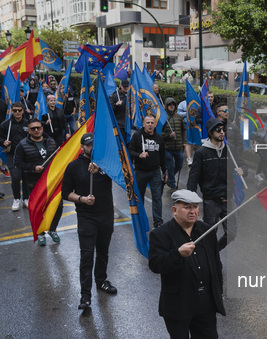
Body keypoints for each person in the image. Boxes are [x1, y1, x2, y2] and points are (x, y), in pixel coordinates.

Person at [148, 189, 225, 339]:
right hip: (178, 301)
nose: (193, 211)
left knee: (208, 336)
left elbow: (216, 264)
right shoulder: (160, 234)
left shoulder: (206, 230)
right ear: (175, 210)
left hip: (204, 298)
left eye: (195, 207)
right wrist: (177, 254)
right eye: (187, 207)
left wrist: (218, 291)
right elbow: (155, 264)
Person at [62, 132, 117, 310]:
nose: (91, 148)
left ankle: (101, 281)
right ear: (82, 147)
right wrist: (82, 199)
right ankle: (85, 296)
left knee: (103, 251)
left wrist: (102, 167)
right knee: (87, 256)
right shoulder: (73, 167)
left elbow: (121, 172)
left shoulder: (107, 163)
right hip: (86, 217)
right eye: (88, 145)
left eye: (94, 144)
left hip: (106, 215)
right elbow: (66, 193)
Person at [187, 118, 243, 251]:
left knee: (231, 233)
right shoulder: (201, 153)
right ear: (211, 132)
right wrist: (189, 200)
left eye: (223, 129)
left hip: (228, 200)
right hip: (210, 201)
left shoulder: (230, 150)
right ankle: (210, 258)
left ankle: (214, 252)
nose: (222, 132)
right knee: (209, 235)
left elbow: (242, 165)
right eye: (218, 130)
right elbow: (193, 177)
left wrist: (243, 170)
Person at [14, 118, 62, 246]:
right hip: (34, 183)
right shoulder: (22, 145)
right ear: (29, 130)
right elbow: (17, 163)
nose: (36, 130)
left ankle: (53, 229)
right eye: (33, 128)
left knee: (58, 207)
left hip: (53, 182)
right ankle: (40, 234)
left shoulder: (51, 141)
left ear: (42, 128)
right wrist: (33, 168)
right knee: (38, 210)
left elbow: (59, 158)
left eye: (38, 128)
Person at [128, 114, 167, 228]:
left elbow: (163, 156)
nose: (150, 125)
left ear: (155, 124)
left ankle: (158, 221)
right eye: (148, 123)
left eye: (152, 123)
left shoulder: (159, 138)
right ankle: (140, 219)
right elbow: (130, 151)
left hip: (155, 171)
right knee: (139, 197)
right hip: (140, 171)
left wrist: (165, 172)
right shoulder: (137, 136)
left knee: (157, 197)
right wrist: (139, 155)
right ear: (143, 124)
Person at [0, 102, 30, 211]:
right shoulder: (5, 124)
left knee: (26, 178)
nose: (17, 112)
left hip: (27, 155)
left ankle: (26, 198)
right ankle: (16, 198)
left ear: (23, 111)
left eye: (19, 110)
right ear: (12, 111)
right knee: (16, 177)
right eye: (15, 110)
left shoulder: (28, 123)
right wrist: (3, 142)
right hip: (12, 155)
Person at [163, 97, 186, 191]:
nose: (172, 106)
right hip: (167, 147)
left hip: (179, 147)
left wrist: (184, 142)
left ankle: (168, 175)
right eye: (169, 105)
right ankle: (172, 185)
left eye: (173, 104)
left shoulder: (179, 117)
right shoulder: (163, 118)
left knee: (179, 165)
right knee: (171, 166)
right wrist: (169, 135)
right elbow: (160, 133)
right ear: (166, 106)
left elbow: (183, 130)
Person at [253, 108, 267, 185]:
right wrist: (259, 135)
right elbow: (252, 131)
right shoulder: (257, 121)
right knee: (264, 159)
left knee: (263, 159)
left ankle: (257, 174)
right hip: (260, 143)